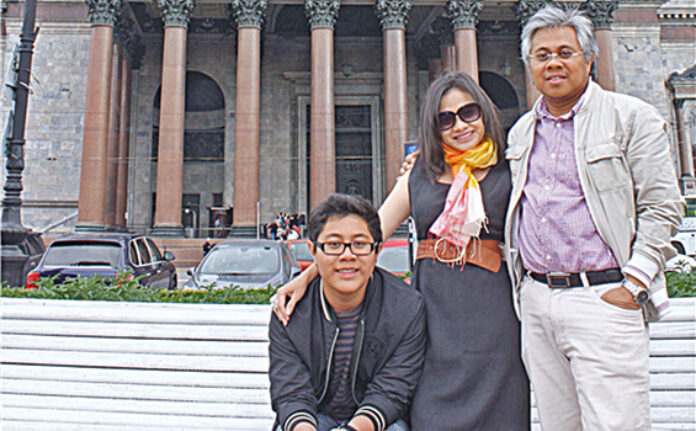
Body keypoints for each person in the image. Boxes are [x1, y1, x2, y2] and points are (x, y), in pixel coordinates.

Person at [273, 72, 530, 430]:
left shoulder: (511, 167)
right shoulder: (419, 174)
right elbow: (369, 234)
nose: (459, 125)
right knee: (432, 408)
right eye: (446, 119)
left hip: (493, 311)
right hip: (435, 312)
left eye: (468, 112)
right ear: (434, 127)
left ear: (484, 112)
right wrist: (308, 276)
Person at [505, 6, 683, 430]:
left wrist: (634, 283)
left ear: (589, 59)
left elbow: (663, 205)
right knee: (557, 424)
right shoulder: (522, 131)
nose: (553, 63)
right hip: (538, 301)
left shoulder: (631, 116)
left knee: (614, 423)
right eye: (542, 55)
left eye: (565, 52)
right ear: (529, 65)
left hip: (602, 295)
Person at [269, 193, 425, 431]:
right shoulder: (289, 310)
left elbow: (393, 389)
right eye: (334, 245)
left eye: (360, 244)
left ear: (377, 251)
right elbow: (291, 392)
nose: (347, 255)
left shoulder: (406, 307)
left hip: (377, 420)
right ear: (313, 251)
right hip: (315, 417)